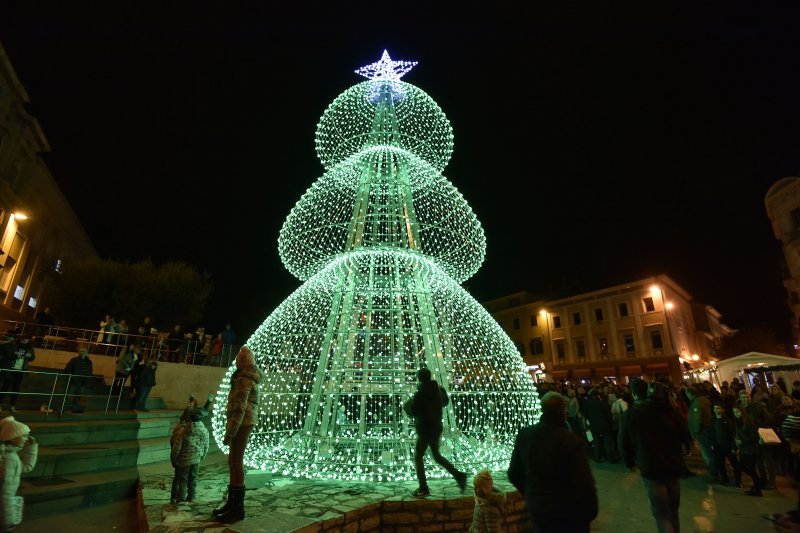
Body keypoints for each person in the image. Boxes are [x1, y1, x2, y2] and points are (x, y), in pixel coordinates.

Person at [508, 390, 598, 532]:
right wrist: (589, 513)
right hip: (569, 513)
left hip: (538, 509)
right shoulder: (571, 441)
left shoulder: (525, 434)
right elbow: (584, 484)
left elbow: (514, 473)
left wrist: (532, 493)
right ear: (563, 411)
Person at [620, 379, 691, 533]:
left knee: (661, 515)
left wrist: (630, 462)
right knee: (673, 511)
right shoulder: (668, 412)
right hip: (672, 465)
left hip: (651, 468)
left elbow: (624, 442)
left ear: (633, 394)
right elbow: (685, 435)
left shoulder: (631, 414)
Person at [212, 346, 261, 523]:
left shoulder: (244, 380)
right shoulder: (242, 377)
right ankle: (232, 504)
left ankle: (237, 509)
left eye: (239, 357)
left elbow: (240, 408)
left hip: (242, 423)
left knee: (236, 462)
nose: (236, 359)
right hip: (243, 422)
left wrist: (230, 433)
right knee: (233, 461)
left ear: (243, 361)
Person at [405, 367, 467, 498]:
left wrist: (408, 404)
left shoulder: (419, 394)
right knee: (436, 455)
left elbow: (413, 411)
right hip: (436, 428)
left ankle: (423, 487)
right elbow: (445, 402)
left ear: (419, 379)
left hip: (425, 430)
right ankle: (459, 475)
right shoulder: (437, 391)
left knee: (418, 456)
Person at [0, 416, 38, 531]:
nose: (27, 439)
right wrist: (8, 520)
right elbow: (4, 493)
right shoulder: (9, 459)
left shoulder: (11, 454)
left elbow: (26, 467)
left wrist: (31, 447)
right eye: (25, 436)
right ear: (13, 438)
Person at [170, 400, 211, 504]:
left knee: (182, 480)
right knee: (193, 479)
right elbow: (206, 446)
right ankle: (191, 497)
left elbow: (177, 447)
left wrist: (174, 460)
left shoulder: (184, 432)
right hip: (196, 459)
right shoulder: (204, 431)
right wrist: (202, 457)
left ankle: (181, 499)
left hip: (184, 460)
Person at [685, 385, 717, 482]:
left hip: (702, 432)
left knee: (707, 453)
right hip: (707, 429)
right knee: (709, 452)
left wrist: (695, 432)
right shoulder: (704, 401)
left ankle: (713, 473)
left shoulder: (696, 403)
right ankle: (715, 471)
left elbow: (697, 419)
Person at [732, 401, 763, 496]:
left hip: (751, 449)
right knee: (746, 467)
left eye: (737, 412)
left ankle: (758, 487)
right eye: (734, 412)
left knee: (748, 468)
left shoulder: (748, 421)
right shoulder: (739, 422)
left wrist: (742, 441)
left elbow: (754, 436)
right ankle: (757, 485)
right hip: (745, 449)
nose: (736, 414)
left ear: (742, 411)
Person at [0, 335, 34, 414]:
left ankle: (12, 406)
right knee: (5, 387)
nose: (25, 341)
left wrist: (30, 356)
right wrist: (15, 354)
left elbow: (32, 358)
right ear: (20, 339)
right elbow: (8, 354)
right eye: (23, 340)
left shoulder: (30, 347)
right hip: (10, 368)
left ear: (29, 340)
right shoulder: (14, 344)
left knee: (15, 389)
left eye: (27, 340)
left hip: (20, 370)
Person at [711, 402, 741, 487]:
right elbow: (712, 432)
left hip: (727, 446)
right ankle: (724, 479)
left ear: (723, 410)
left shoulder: (727, 420)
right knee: (720, 463)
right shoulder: (713, 420)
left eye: (718, 408)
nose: (716, 410)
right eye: (715, 408)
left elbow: (732, 434)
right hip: (718, 446)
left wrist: (733, 447)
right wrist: (713, 444)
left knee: (734, 463)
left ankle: (738, 481)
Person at [469, 469, 505, 533]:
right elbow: (476, 523)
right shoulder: (480, 501)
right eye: (475, 486)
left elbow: (493, 530)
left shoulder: (490, 509)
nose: (474, 488)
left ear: (484, 489)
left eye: (477, 487)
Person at [64, 346, 93, 413]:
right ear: (79, 352)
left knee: (78, 397)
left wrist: (88, 381)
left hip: (83, 382)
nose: (82, 352)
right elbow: (67, 369)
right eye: (81, 351)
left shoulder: (89, 362)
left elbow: (90, 372)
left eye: (84, 351)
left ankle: (75, 409)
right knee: (68, 396)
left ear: (87, 353)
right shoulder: (73, 360)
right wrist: (72, 377)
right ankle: (62, 409)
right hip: (74, 381)